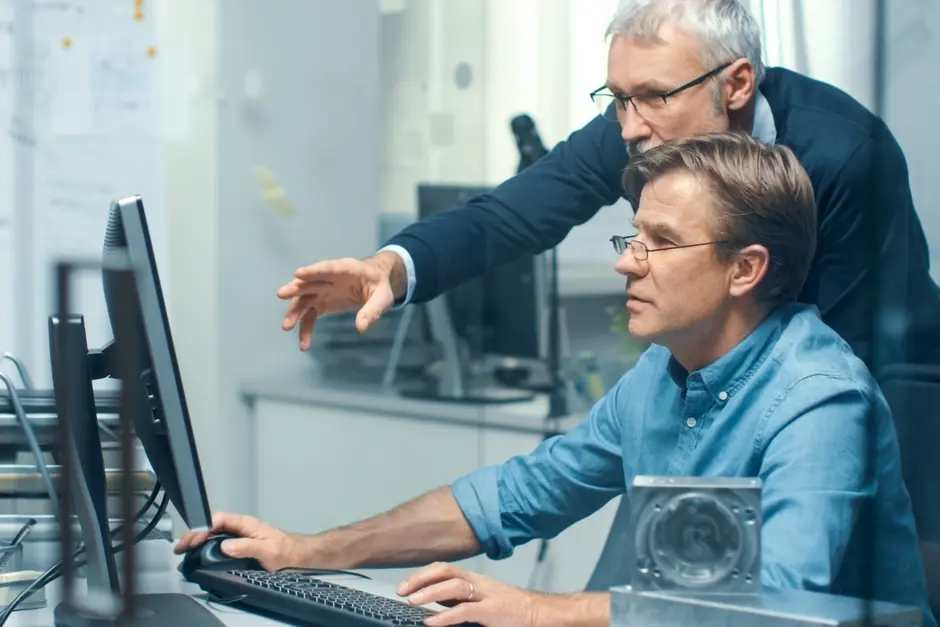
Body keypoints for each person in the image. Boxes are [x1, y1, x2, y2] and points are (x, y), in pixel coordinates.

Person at [177, 133, 934, 627]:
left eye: (660, 242)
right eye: (631, 236)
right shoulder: (658, 377)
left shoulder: (819, 400)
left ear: (747, 268)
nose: (625, 262)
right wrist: (305, 551)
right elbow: (509, 500)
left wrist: (538, 610)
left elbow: (775, 608)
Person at [276, 0, 940, 372]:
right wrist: (391, 267)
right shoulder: (632, 129)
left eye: (653, 96)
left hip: (891, 384)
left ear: (737, 84)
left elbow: (855, 353)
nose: (630, 125)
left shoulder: (847, 154)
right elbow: (507, 216)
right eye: (617, 97)